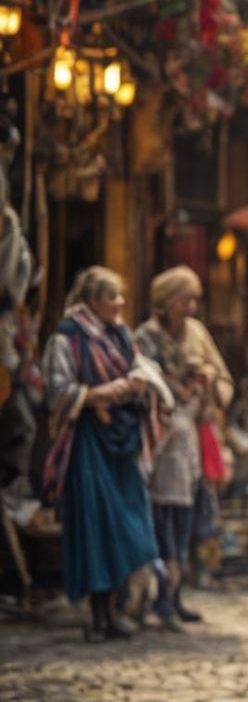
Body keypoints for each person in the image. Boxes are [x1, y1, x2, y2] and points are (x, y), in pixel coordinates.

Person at [41, 266, 170, 640]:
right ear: (94, 301)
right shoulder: (67, 339)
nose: (120, 303)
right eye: (113, 296)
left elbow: (143, 372)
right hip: (88, 446)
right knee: (97, 528)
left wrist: (136, 386)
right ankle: (98, 617)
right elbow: (59, 391)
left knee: (131, 530)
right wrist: (104, 394)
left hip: (122, 441)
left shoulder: (121, 337)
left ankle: (113, 613)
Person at [133, 266, 235, 625]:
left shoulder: (196, 332)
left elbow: (222, 376)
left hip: (190, 439)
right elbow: (143, 381)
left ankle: (175, 596)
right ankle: (156, 598)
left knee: (185, 522)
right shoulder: (146, 336)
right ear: (167, 300)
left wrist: (207, 383)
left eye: (195, 299)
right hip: (161, 443)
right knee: (161, 521)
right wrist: (175, 389)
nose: (192, 307)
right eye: (185, 298)